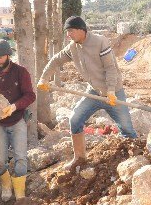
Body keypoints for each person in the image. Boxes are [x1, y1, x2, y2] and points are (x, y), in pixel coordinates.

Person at [37, 16, 137, 171]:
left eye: (70, 31)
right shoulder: (73, 47)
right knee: (75, 120)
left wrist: (111, 90)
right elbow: (56, 60)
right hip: (93, 92)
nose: (68, 35)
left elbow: (110, 68)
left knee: (127, 129)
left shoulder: (100, 42)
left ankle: (136, 161)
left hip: (113, 93)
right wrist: (44, 78)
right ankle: (79, 158)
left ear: (81, 30)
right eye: (67, 32)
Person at [0, 39, 36, 201]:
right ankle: (6, 186)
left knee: (21, 158)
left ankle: (20, 193)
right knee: (0, 160)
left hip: (17, 120)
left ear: (8, 55)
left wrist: (14, 106)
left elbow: (30, 95)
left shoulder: (20, 72)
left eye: (0, 57)